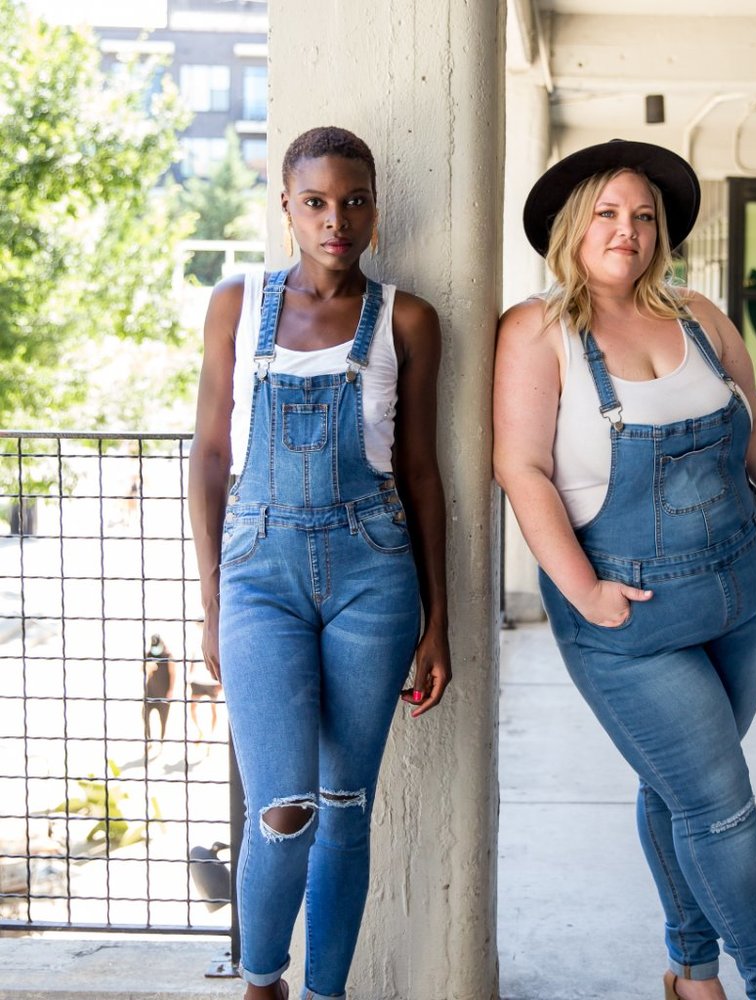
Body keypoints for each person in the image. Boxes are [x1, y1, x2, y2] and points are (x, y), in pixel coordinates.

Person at [493, 139, 756, 1000]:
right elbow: (521, 468)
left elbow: (752, 425)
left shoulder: (700, 316)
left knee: (679, 786)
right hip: (629, 618)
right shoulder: (538, 331)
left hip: (737, 595)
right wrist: (584, 592)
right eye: (606, 212)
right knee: (723, 804)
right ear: (572, 225)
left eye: (643, 216)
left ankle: (691, 972)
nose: (626, 229)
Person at [189, 126, 451, 1000]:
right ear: (287, 208)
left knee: (346, 809)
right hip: (257, 574)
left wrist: (437, 622)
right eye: (316, 202)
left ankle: (326, 993)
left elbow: (420, 473)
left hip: (374, 570)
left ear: (374, 207)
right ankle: (262, 982)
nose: (336, 219)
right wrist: (212, 601)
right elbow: (210, 456)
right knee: (283, 811)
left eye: (354, 200)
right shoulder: (237, 302)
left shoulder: (408, 318)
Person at [142, 633, 176, 748]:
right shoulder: (149, 653)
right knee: (145, 715)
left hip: (164, 692)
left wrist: (171, 690)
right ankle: (149, 739)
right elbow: (142, 669)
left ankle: (162, 739)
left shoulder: (168, 655)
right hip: (150, 690)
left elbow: (173, 673)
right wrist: (148, 667)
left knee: (163, 718)